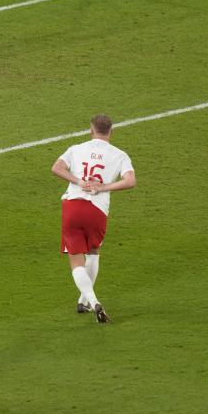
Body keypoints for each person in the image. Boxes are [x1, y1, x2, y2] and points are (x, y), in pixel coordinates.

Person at [50, 113, 136, 323]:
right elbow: (130, 181)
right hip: (97, 210)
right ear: (111, 132)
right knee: (93, 251)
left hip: (73, 205)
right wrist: (104, 187)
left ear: (91, 130)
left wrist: (79, 181)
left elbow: (56, 168)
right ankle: (84, 302)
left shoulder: (76, 148)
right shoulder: (120, 155)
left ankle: (93, 300)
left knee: (76, 259)